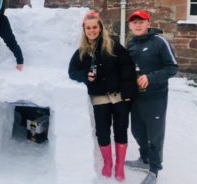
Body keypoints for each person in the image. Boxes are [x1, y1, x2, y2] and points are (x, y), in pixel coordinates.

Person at [68, 11, 137, 181]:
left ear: (100, 28)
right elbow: (72, 71)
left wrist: (128, 93)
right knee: (103, 132)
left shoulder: (112, 45)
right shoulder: (82, 52)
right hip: (99, 97)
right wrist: (85, 75)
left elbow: (127, 67)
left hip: (118, 95)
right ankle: (108, 162)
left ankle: (120, 165)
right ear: (84, 30)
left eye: (94, 27)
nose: (91, 31)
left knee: (121, 129)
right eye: (88, 28)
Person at [125, 10, 178, 184]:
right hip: (136, 97)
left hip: (155, 97)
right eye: (134, 22)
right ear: (130, 26)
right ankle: (144, 159)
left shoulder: (160, 42)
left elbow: (172, 68)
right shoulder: (131, 44)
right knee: (137, 131)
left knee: (154, 134)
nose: (138, 25)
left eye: (141, 21)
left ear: (149, 23)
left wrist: (150, 77)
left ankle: (154, 170)